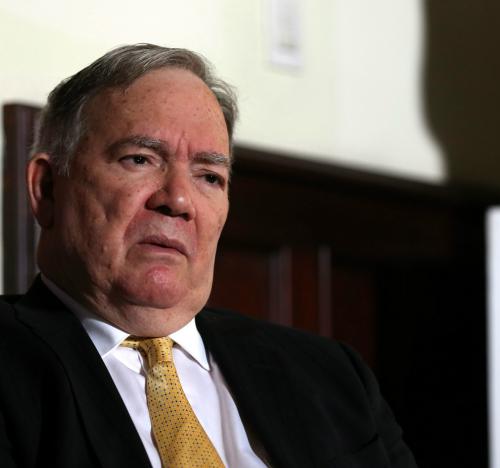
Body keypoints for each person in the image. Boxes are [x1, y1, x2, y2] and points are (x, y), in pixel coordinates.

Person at [0, 44, 417, 468]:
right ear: (47, 189)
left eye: (209, 177)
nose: (179, 200)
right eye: (140, 159)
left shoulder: (333, 377)